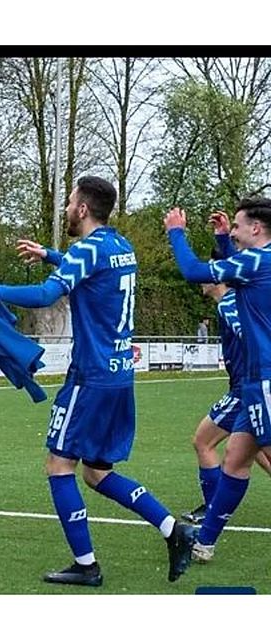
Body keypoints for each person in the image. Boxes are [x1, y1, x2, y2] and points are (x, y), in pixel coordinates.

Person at [0, 176, 194, 586]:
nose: (67, 208)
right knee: (96, 472)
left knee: (59, 464)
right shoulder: (120, 247)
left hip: (89, 376)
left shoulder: (85, 249)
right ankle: (172, 529)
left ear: (83, 209)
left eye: (70, 202)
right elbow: (93, 273)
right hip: (120, 375)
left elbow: (44, 296)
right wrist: (51, 255)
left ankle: (87, 565)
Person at [164, 200, 271, 564]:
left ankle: (205, 537)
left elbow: (195, 271)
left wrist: (176, 232)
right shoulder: (258, 262)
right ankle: (205, 542)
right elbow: (241, 276)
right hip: (255, 384)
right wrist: (224, 238)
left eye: (239, 227)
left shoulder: (257, 261)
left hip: (266, 380)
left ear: (256, 228)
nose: (236, 232)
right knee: (235, 462)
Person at [183, 219, 271, 523]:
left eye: (211, 271)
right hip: (247, 387)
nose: (204, 279)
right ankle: (214, 513)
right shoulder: (232, 300)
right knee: (250, 450)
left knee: (204, 442)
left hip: (248, 389)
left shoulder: (230, 304)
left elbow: (251, 337)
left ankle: (212, 510)